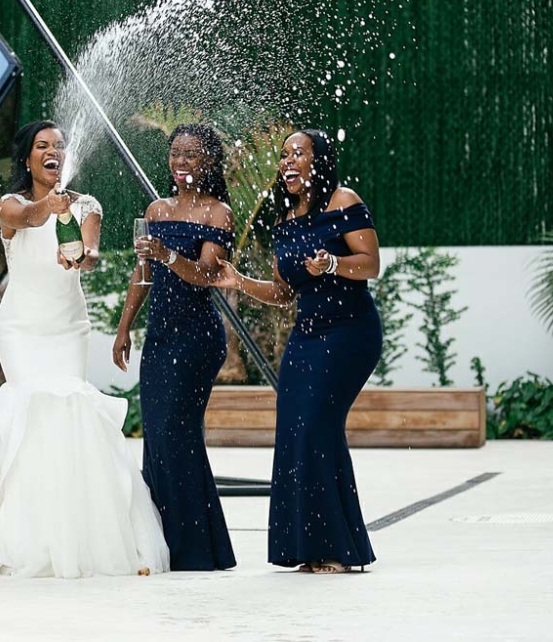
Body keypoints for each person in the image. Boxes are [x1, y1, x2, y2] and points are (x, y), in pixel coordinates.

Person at [0, 120, 169, 578]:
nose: (53, 151)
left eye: (59, 145)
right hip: (21, 329)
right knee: (29, 413)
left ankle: (83, 536)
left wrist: (79, 255)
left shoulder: (86, 205)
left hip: (68, 328)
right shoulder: (10, 204)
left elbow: (90, 253)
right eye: (42, 145)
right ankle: (16, 540)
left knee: (71, 412)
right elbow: (28, 219)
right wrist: (48, 207)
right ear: (27, 158)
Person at [212, 129, 380, 574]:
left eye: (297, 153)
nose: (287, 160)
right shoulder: (285, 219)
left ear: (317, 161)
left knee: (317, 426)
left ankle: (337, 549)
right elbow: (284, 293)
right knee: (295, 431)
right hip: (306, 337)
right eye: (284, 154)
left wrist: (332, 264)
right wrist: (239, 282)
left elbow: (370, 264)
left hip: (350, 332)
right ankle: (308, 547)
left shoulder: (343, 201)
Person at [112, 123, 237, 571]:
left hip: (197, 337)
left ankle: (195, 550)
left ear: (208, 161)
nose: (181, 162)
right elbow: (143, 274)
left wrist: (167, 254)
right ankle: (166, 543)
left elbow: (206, 276)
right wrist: (124, 327)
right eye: (176, 153)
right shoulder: (156, 209)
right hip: (160, 336)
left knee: (176, 434)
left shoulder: (218, 213)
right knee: (158, 435)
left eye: (191, 154)